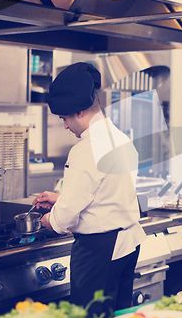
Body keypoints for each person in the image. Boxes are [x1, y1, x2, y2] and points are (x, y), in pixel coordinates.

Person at [32, 62, 146, 316]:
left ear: (80, 112)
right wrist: (61, 198)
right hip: (126, 245)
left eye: (65, 118)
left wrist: (46, 219)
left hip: (99, 251)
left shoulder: (86, 148)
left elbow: (65, 218)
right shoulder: (120, 138)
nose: (65, 126)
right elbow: (108, 192)